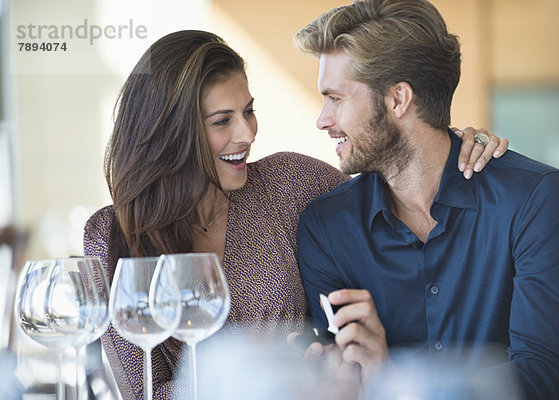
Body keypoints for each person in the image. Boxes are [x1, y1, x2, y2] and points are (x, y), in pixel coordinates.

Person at [83, 30, 506, 399]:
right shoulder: (110, 235)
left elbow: (400, 186)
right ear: (169, 132)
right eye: (221, 121)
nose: (246, 134)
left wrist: (451, 146)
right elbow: (143, 391)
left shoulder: (288, 182)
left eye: (248, 111)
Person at [294, 1, 559, 399]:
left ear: (398, 99)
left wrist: (392, 376)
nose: (323, 119)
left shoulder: (533, 199)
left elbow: (550, 379)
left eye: (336, 98)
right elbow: (345, 379)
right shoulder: (327, 228)